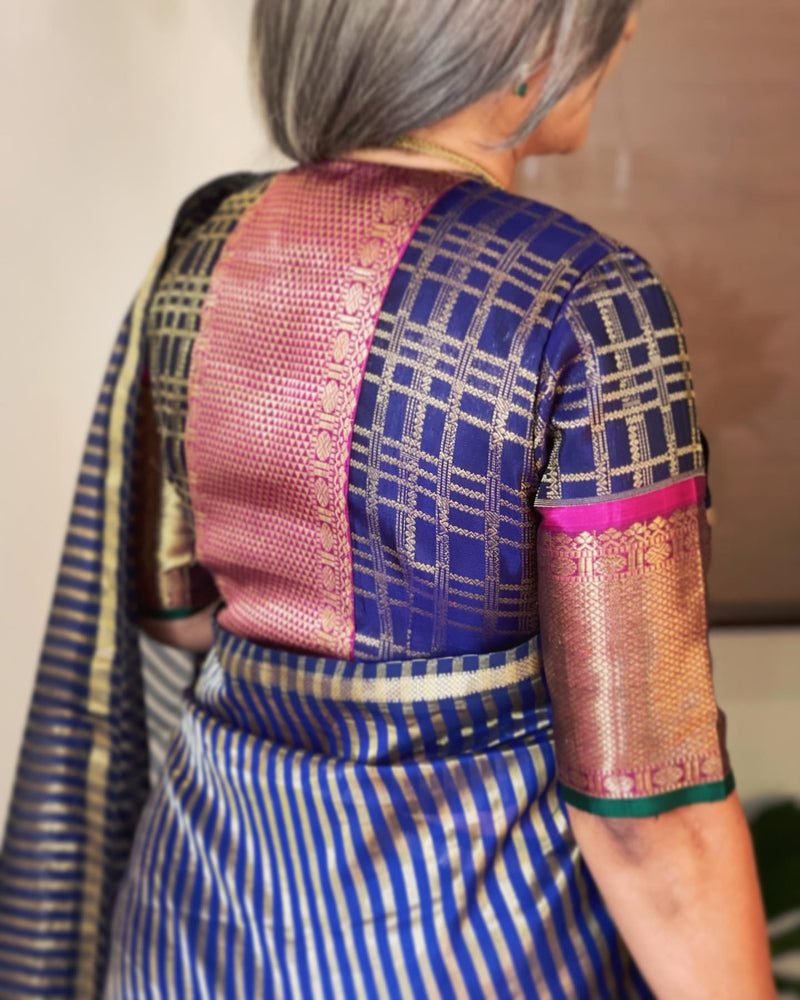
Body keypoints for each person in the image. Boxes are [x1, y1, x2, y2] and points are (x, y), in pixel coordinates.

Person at [0, 1, 776, 998]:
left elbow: (179, 614)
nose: (622, 31)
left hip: (194, 933)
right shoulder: (587, 301)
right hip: (473, 952)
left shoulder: (204, 247)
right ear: (519, 31)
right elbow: (648, 817)